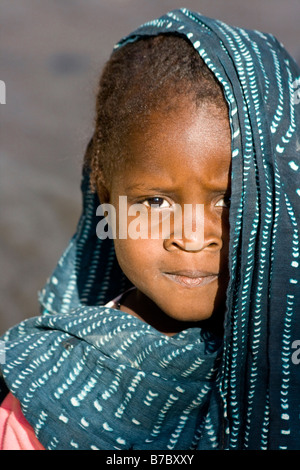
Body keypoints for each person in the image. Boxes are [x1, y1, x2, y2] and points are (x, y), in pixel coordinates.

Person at [0, 8, 299, 451]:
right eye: (155, 201)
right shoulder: (43, 395)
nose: (192, 237)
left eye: (229, 202)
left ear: (282, 200)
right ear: (106, 195)